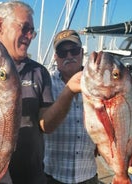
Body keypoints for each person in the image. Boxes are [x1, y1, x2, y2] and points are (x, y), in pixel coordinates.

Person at [0, 1, 82, 184]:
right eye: (25, 28)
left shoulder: (39, 72)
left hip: (33, 178)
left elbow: (46, 125)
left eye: (32, 31)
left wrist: (68, 92)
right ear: (0, 25)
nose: (29, 36)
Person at [44, 30, 98, 184]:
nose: (69, 56)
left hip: (88, 175)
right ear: (56, 57)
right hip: (52, 176)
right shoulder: (46, 83)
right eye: (62, 53)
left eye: (74, 51)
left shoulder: (97, 84)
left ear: (81, 52)